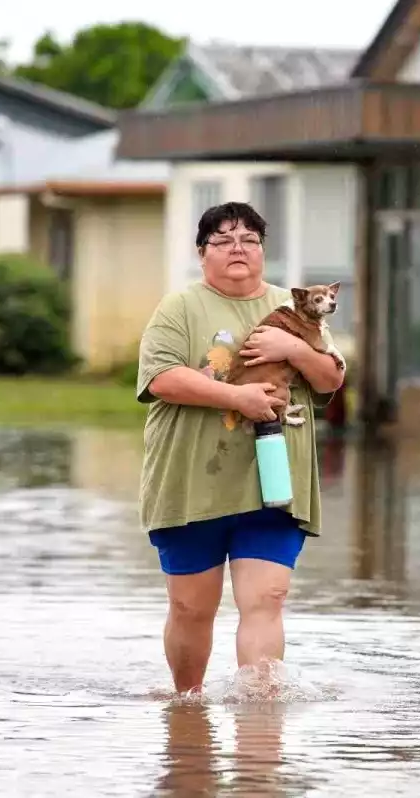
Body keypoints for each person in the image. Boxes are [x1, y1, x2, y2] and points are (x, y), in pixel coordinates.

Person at [136, 201, 345, 695]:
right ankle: (187, 709)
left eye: (249, 240)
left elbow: (331, 377)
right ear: (201, 252)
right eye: (224, 240)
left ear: (263, 251)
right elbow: (162, 378)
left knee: (267, 597)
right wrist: (237, 397)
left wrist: (292, 349)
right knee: (191, 608)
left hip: (272, 480)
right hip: (193, 483)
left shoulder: (297, 306)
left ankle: (260, 726)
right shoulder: (179, 307)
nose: (238, 249)